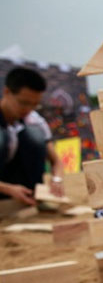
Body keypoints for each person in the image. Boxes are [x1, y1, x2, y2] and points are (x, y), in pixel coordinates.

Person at [0, 67, 64, 206]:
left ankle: (32, 195)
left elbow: (56, 161)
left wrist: (57, 180)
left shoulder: (35, 120)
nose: (28, 109)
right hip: (5, 188)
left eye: (34, 104)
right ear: (7, 92)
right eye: (23, 103)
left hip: (20, 191)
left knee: (34, 134)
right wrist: (8, 189)